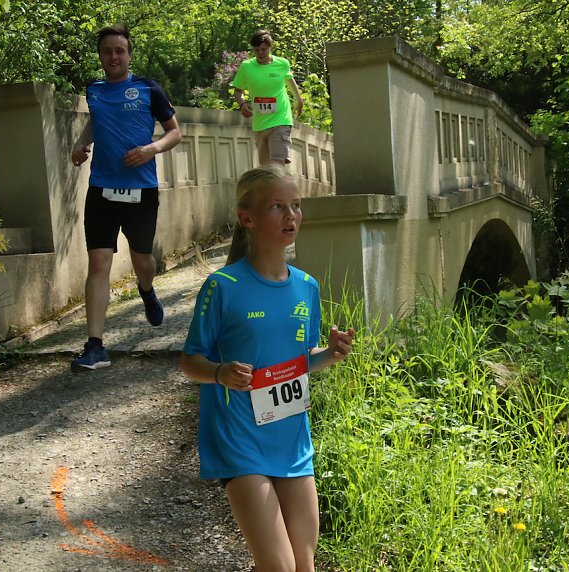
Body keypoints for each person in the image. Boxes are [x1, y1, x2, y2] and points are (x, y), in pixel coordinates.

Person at [180, 166, 356, 571]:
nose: (291, 215)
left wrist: (328, 354)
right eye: (277, 207)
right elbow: (190, 361)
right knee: (279, 566)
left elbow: (296, 364)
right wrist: (220, 373)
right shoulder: (223, 286)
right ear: (248, 218)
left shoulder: (306, 286)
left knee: (303, 564)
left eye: (295, 206)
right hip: (239, 441)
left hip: (292, 441)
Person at [70, 24, 182, 370]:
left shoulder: (148, 89)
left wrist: (151, 149)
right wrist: (81, 142)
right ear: (101, 56)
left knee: (142, 259)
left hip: (141, 190)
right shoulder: (94, 90)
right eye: (107, 51)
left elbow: (175, 132)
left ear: (129, 55)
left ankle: (146, 290)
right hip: (101, 188)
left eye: (120, 51)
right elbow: (97, 121)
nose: (114, 57)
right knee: (99, 262)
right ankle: (95, 345)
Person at [232, 30, 304, 165]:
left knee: (277, 164)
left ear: (270, 47)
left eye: (264, 49)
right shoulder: (247, 67)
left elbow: (289, 80)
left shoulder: (282, 63)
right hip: (260, 123)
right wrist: (242, 104)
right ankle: (281, 185)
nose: (260, 53)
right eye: (256, 50)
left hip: (281, 119)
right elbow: (237, 90)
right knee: (266, 168)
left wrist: (299, 99)